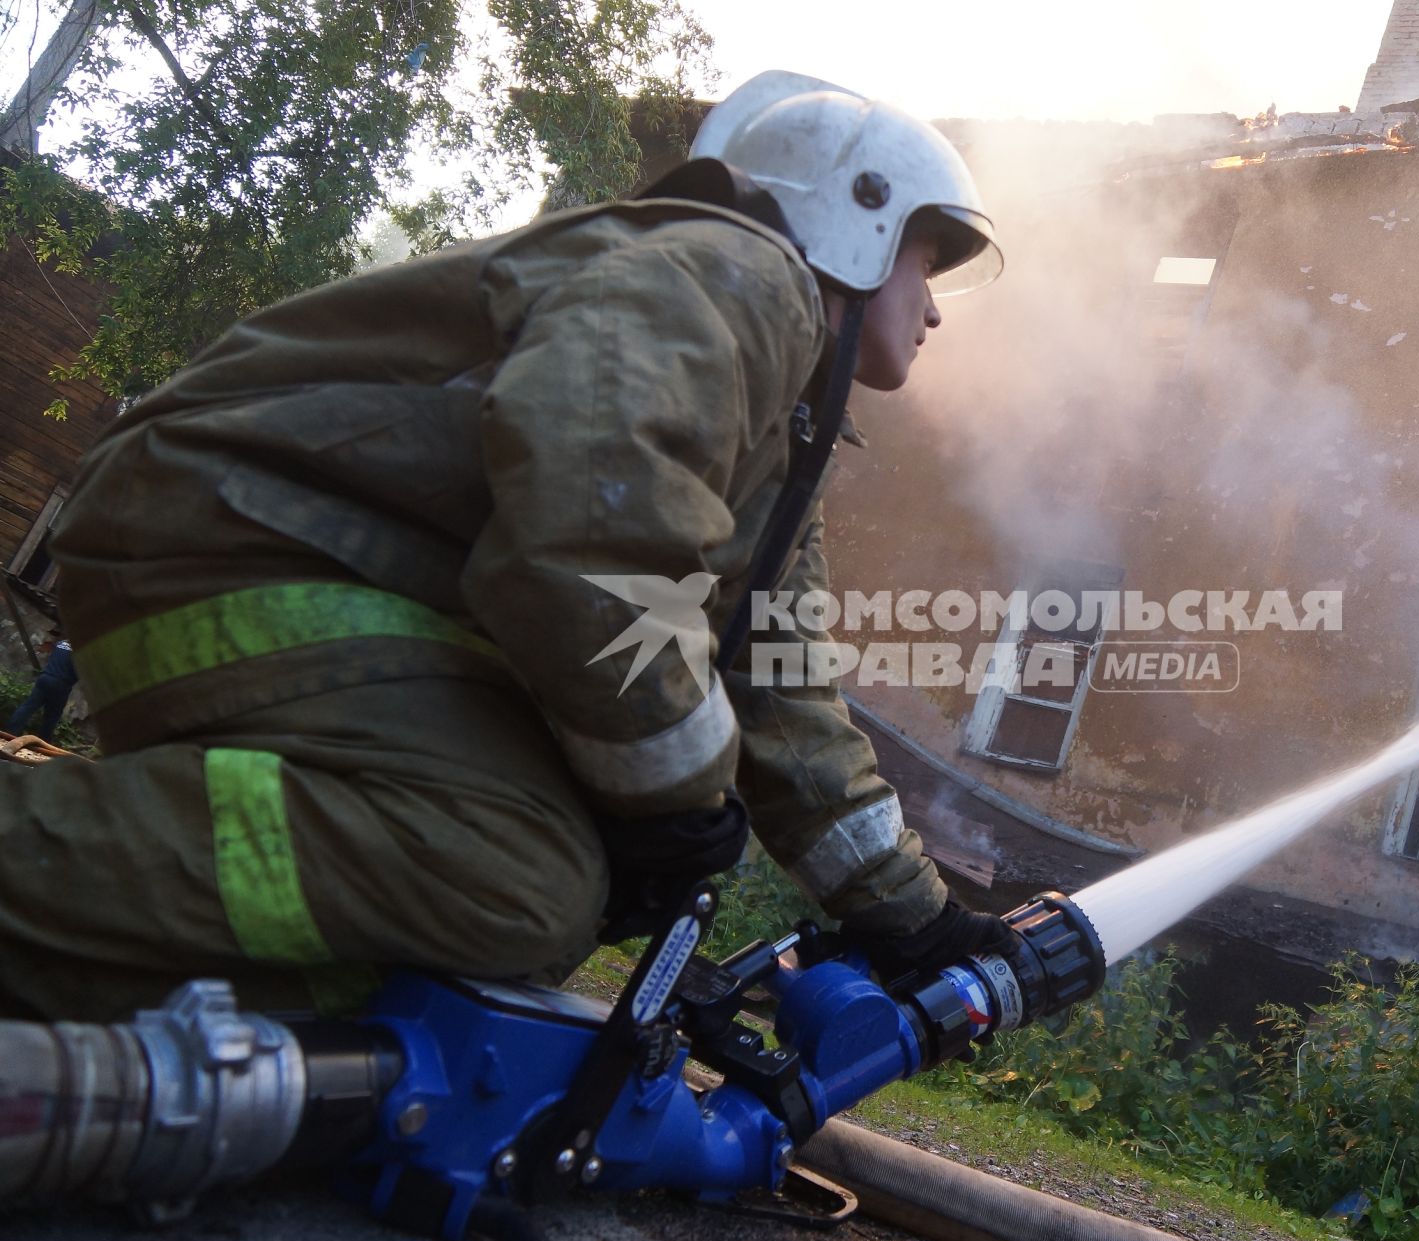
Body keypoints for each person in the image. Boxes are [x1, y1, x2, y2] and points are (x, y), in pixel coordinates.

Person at [0, 71, 1015, 1022]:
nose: (931, 307)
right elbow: (595, 515)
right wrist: (672, 797)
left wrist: (914, 917)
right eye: (927, 263)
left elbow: (784, 694)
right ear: (862, 211)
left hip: (284, 565)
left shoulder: (780, 437)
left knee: (468, 947)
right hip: (236, 543)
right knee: (517, 871)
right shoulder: (733, 272)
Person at [5, 628, 78, 740]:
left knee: (28, 707)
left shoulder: (61, 643)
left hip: (45, 678)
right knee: (52, 716)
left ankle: (9, 733)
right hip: (61, 684)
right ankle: (43, 741)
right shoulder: (80, 651)